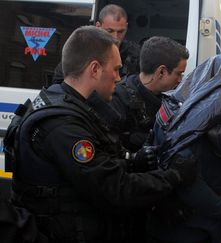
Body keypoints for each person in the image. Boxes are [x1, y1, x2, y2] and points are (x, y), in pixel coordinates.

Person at [7, 26, 199, 243]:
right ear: (95, 69)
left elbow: (102, 161)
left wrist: (133, 161)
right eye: (116, 69)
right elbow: (116, 190)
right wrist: (175, 176)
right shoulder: (64, 126)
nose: (119, 78)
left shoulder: (67, 102)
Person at [147, 54, 221, 243]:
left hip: (198, 224)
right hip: (181, 226)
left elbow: (218, 164)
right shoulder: (188, 121)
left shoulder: (180, 110)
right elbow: (188, 182)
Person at [109, 36, 189, 152]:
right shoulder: (118, 101)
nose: (180, 80)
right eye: (178, 74)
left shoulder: (170, 100)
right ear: (161, 72)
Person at [52, 4, 140, 84]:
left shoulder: (135, 54)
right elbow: (59, 80)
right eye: (110, 31)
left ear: (126, 27)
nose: (115, 37)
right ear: (98, 26)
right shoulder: (82, 48)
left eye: (121, 31)